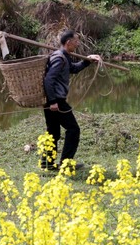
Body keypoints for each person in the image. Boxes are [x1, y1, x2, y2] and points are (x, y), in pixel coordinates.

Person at [41, 29, 102, 171]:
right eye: (76, 41)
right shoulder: (59, 58)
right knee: (73, 129)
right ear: (68, 42)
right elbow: (49, 80)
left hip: (51, 100)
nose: (77, 44)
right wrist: (53, 102)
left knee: (53, 132)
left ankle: (47, 163)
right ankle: (66, 163)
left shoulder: (64, 56)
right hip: (56, 101)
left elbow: (73, 69)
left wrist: (87, 61)